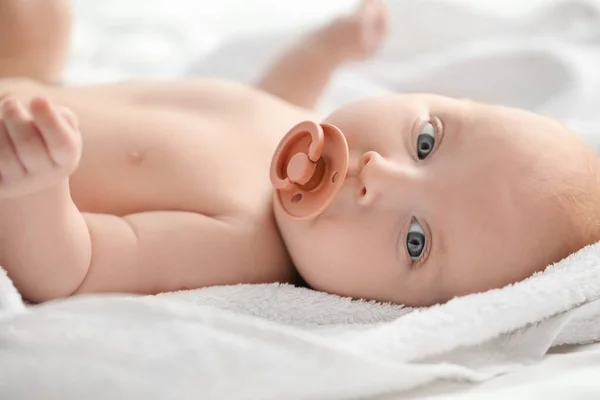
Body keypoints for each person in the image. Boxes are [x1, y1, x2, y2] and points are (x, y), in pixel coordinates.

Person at [0, 0, 598, 307]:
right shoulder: (303, 130)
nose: (376, 174)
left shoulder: (240, 244)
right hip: (35, 86)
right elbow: (269, 102)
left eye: (416, 239)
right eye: (425, 142)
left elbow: (74, 269)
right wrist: (325, 51)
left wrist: (37, 186)